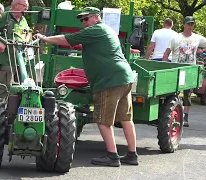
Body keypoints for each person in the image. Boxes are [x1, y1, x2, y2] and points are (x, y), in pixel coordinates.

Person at [35, 7, 138, 167]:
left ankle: (112, 156)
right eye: (81, 20)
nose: (83, 22)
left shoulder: (95, 29)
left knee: (103, 120)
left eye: (86, 19)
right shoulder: (106, 30)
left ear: (96, 17)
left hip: (108, 80)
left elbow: (68, 39)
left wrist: (44, 38)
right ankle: (132, 155)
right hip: (124, 78)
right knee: (125, 118)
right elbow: (83, 44)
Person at [162, 16, 206, 127]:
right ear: (184, 25)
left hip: (190, 69)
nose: (190, 26)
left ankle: (185, 116)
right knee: (173, 92)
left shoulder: (197, 38)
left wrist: (203, 50)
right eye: (189, 24)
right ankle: (171, 113)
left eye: (192, 24)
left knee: (188, 93)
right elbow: (166, 53)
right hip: (177, 68)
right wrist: (164, 67)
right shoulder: (176, 38)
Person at [0, 0, 30, 98]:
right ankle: (1, 110)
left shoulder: (23, 19)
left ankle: (17, 110)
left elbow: (29, 32)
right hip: (7, 60)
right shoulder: (5, 16)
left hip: (21, 61)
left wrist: (26, 40)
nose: (27, 9)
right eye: (25, 6)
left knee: (21, 88)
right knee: (5, 88)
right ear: (16, 6)